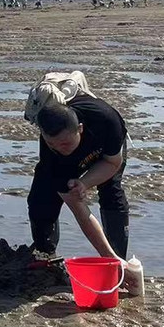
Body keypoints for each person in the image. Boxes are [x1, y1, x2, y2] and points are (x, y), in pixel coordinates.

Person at [25, 79, 132, 271]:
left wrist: (85, 182)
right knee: (40, 198)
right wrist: (77, 187)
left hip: (104, 151)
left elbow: (111, 163)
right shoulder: (53, 153)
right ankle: (45, 254)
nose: (59, 149)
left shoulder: (108, 121)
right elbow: (79, 210)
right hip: (65, 163)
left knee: (111, 191)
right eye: (52, 144)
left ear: (79, 129)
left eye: (64, 144)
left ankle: (117, 260)